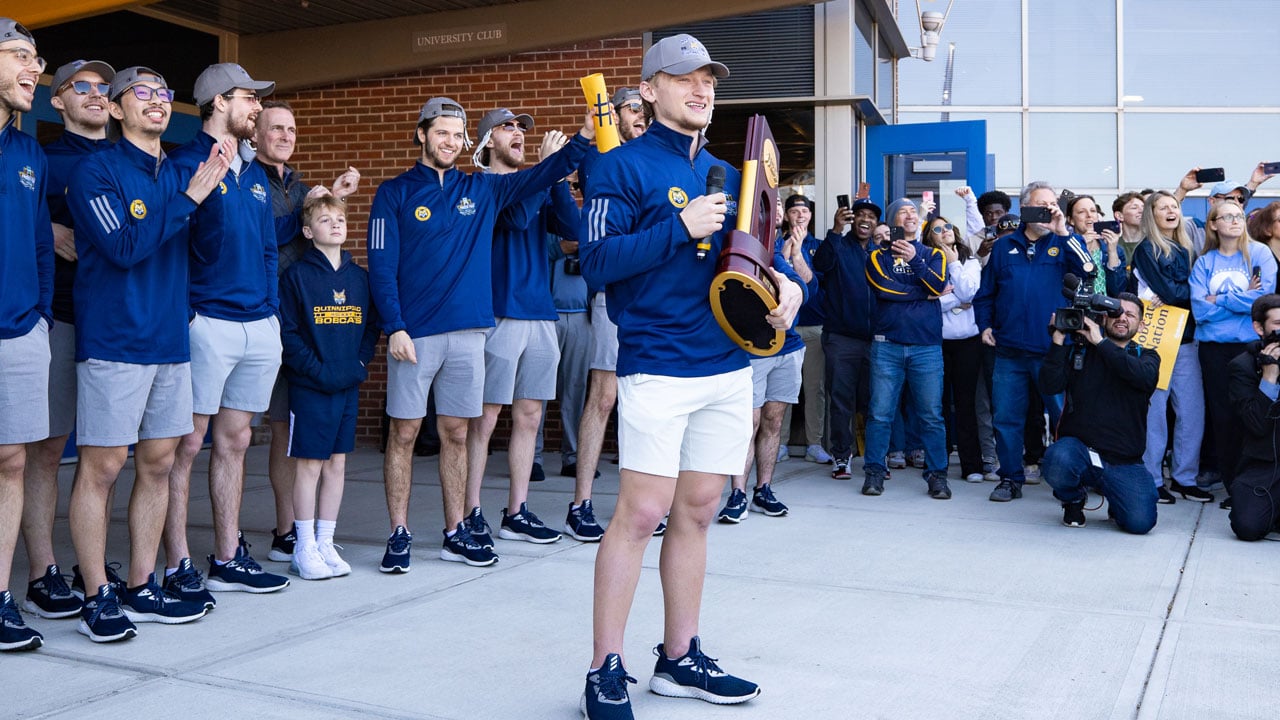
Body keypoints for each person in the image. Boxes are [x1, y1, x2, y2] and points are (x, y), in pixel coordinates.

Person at [577, 33, 801, 718]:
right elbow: (595, 263)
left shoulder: (732, 176)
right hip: (658, 366)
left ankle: (679, 658)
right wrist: (678, 226)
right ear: (649, 90)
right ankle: (604, 668)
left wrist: (788, 285)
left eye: (709, 80)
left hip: (728, 365)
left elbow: (750, 257)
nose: (701, 90)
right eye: (684, 78)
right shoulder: (619, 168)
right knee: (641, 513)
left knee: (699, 511)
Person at [369, 96, 592, 572]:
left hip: (471, 334)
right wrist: (395, 327)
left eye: (457, 134)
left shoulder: (480, 190)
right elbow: (381, 267)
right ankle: (399, 532)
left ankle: (454, 531)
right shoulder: (394, 192)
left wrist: (584, 139)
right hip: (416, 336)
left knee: (456, 433)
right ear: (423, 135)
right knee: (404, 434)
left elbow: (537, 178)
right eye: (442, 133)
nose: (449, 141)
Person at [67, 65, 229, 642]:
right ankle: (95, 595)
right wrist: (189, 198)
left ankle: (140, 584)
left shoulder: (180, 173)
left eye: (164, 94)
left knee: (159, 463)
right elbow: (125, 246)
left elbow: (205, 253)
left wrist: (209, 203)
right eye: (142, 94)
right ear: (114, 110)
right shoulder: (95, 172)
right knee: (103, 468)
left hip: (170, 343)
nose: (157, 102)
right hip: (115, 343)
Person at [165, 63, 291, 596]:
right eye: (248, 98)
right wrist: (190, 313)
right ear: (219, 103)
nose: (256, 108)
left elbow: (267, 250)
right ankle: (177, 563)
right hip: (207, 322)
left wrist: (271, 313)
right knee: (185, 444)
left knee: (235, 440)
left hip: (256, 324)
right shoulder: (183, 164)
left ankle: (226, 555)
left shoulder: (255, 173)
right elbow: (170, 246)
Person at [19, 58, 115, 627]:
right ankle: (42, 572)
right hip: (63, 319)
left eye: (105, 88)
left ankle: (93, 563)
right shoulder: (44, 160)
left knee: (107, 456)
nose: (97, 95)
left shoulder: (129, 158)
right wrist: (44, 227)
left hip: (119, 328)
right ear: (58, 101)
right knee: (49, 451)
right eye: (83, 87)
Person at [464, 107, 582, 550]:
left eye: (521, 129)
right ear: (486, 141)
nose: (518, 133)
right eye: (507, 127)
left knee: (530, 416)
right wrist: (547, 173)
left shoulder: (538, 184)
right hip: (498, 313)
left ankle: (516, 512)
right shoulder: (482, 186)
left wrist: (554, 180)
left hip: (540, 314)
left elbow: (573, 229)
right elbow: (513, 219)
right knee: (486, 418)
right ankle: (472, 510)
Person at [253, 99, 361, 564]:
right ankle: (267, 534)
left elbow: (320, 222)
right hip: (263, 319)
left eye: (290, 129)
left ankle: (294, 533)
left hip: (307, 330)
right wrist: (306, 207)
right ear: (254, 134)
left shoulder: (297, 185)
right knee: (255, 435)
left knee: (290, 435)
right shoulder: (247, 181)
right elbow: (262, 232)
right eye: (275, 128)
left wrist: (325, 198)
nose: (284, 135)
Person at [973, 181, 1096, 502]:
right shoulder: (1003, 247)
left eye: (1053, 204)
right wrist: (984, 324)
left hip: (1053, 350)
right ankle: (1010, 478)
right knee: (1006, 419)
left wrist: (1063, 230)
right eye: (1041, 205)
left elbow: (1088, 270)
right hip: (1009, 349)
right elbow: (986, 293)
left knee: (1063, 418)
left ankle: (1074, 480)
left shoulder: (1065, 242)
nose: (1048, 210)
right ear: (1025, 208)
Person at [278, 195, 378, 579]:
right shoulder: (296, 278)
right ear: (308, 231)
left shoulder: (360, 279)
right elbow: (288, 334)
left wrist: (358, 364)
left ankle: (324, 542)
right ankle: (302, 547)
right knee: (310, 465)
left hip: (347, 382)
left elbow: (372, 328)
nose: (335, 224)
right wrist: (317, 370)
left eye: (340, 218)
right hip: (311, 385)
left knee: (337, 464)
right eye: (325, 219)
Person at [568, 86, 651, 542]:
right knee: (603, 396)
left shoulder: (653, 157)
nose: (641, 116)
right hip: (614, 295)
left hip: (653, 297)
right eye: (632, 109)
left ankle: (639, 505)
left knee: (646, 399)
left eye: (644, 110)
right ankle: (580, 504)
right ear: (613, 115)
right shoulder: (604, 159)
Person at [0, 18, 54, 652]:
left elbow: (43, 243)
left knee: (12, 461)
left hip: (19, 331)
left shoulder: (29, 151)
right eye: (19, 55)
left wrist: (39, 313)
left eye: (37, 58)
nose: (34, 68)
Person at [1039, 294, 1160, 533]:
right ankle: (1073, 499)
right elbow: (1048, 386)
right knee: (1057, 459)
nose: (1122, 318)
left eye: (1130, 315)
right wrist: (1058, 341)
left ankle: (1118, 502)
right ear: (1103, 318)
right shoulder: (1081, 352)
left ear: (1141, 325)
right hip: (1080, 452)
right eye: (1116, 313)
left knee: (1140, 523)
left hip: (1124, 461)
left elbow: (1142, 378)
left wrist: (1101, 343)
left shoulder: (1146, 356)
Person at [717, 231, 814, 522]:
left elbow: (805, 285)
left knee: (773, 421)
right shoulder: (737, 246)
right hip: (753, 350)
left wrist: (791, 266)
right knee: (750, 422)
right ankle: (738, 494)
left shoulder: (775, 251)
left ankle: (764, 489)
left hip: (789, 347)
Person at [861, 199, 949, 499]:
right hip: (887, 346)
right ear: (893, 221)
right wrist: (921, 294)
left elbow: (937, 287)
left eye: (915, 210)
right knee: (880, 413)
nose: (911, 214)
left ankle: (937, 476)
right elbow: (884, 290)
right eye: (903, 211)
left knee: (931, 415)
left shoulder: (933, 253)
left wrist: (915, 262)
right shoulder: (877, 256)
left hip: (926, 347)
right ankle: (874, 472)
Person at [1190, 200, 1276, 499]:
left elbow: (1262, 303)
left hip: (1250, 348)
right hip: (1214, 350)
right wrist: (1243, 297)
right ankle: (1231, 486)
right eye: (1227, 216)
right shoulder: (1204, 262)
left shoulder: (1260, 253)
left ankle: (1250, 484)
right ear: (1213, 224)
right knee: (1223, 417)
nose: (1235, 221)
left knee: (1250, 416)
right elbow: (1199, 309)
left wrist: (1220, 299)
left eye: (1239, 215)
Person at [1128, 190, 1209, 504]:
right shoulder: (1148, 249)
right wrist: (1198, 289)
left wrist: (1187, 290)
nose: (1170, 211)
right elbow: (1170, 292)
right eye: (1163, 207)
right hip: (1157, 340)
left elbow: (1177, 291)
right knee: (1155, 413)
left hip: (1188, 339)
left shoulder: (1190, 248)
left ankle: (1185, 478)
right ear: (1152, 214)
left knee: (1192, 412)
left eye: (1174, 206)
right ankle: (1152, 479)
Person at [814, 199, 879, 480]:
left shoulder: (882, 252)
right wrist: (835, 230)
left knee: (875, 401)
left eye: (871, 216)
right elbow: (820, 264)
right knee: (841, 399)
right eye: (860, 215)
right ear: (853, 220)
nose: (865, 220)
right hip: (841, 337)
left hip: (877, 339)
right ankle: (841, 456)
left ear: (876, 223)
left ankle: (876, 458)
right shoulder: (838, 245)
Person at [924, 216, 984, 482]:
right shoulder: (926, 262)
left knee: (965, 404)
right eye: (937, 229)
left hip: (968, 343)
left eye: (947, 226)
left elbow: (970, 293)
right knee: (936, 405)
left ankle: (972, 464)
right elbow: (928, 304)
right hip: (937, 342)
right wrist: (954, 301)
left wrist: (954, 266)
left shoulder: (970, 262)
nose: (944, 231)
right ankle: (939, 461)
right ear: (930, 238)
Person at [779, 194, 831, 464]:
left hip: (813, 326)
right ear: (787, 215)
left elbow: (813, 284)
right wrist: (786, 250)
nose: (800, 215)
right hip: (783, 328)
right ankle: (779, 443)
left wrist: (796, 255)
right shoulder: (776, 242)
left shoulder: (819, 247)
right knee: (782, 390)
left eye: (805, 211)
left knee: (814, 388)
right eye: (795, 211)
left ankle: (814, 443)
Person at [1227, 294, 1280, 540]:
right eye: (1278, 324)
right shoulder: (1243, 366)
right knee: (1247, 526)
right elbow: (1256, 424)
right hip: (1263, 464)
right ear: (1259, 328)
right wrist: (1269, 377)